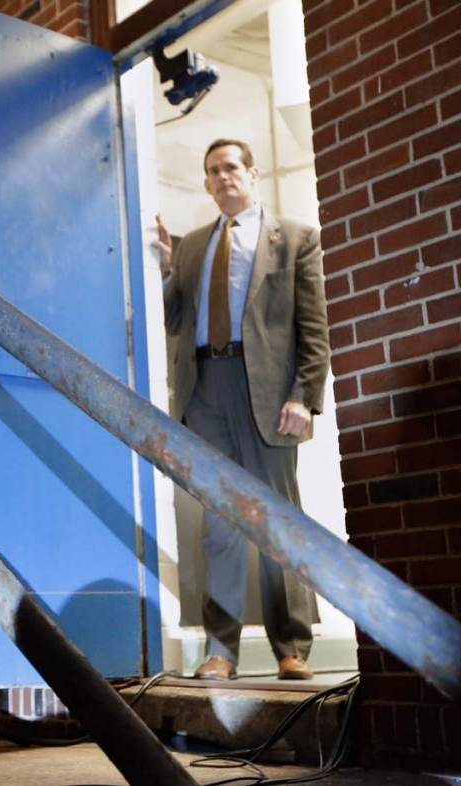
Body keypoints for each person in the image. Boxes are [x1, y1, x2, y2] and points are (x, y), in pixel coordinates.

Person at [154, 138, 330, 682]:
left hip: (270, 396)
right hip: (205, 388)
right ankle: (220, 653)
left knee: (279, 523)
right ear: (206, 184)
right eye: (213, 171)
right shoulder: (191, 247)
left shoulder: (295, 237)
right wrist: (163, 269)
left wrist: (305, 395)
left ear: (253, 174)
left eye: (232, 167)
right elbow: (177, 320)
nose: (223, 176)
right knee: (220, 526)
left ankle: (292, 648)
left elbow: (314, 327)